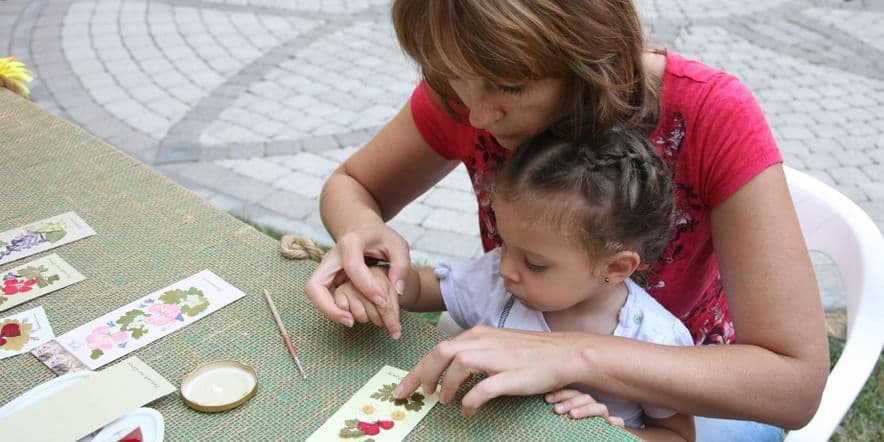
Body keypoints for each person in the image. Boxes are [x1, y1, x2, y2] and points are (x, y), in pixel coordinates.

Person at [304, 0, 829, 440]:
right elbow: (353, 185)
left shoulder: (713, 112)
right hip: (522, 347)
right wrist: (360, 231)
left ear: (591, 62)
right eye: (460, 79)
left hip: (691, 393)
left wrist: (575, 353)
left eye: (509, 88)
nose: (479, 116)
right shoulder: (471, 82)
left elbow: (794, 384)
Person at [330, 129, 696, 440]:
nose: (505, 268)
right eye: (504, 243)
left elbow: (678, 436)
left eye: (534, 263)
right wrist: (380, 284)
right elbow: (423, 289)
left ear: (616, 268)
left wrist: (607, 431)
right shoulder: (497, 282)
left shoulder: (656, 341)